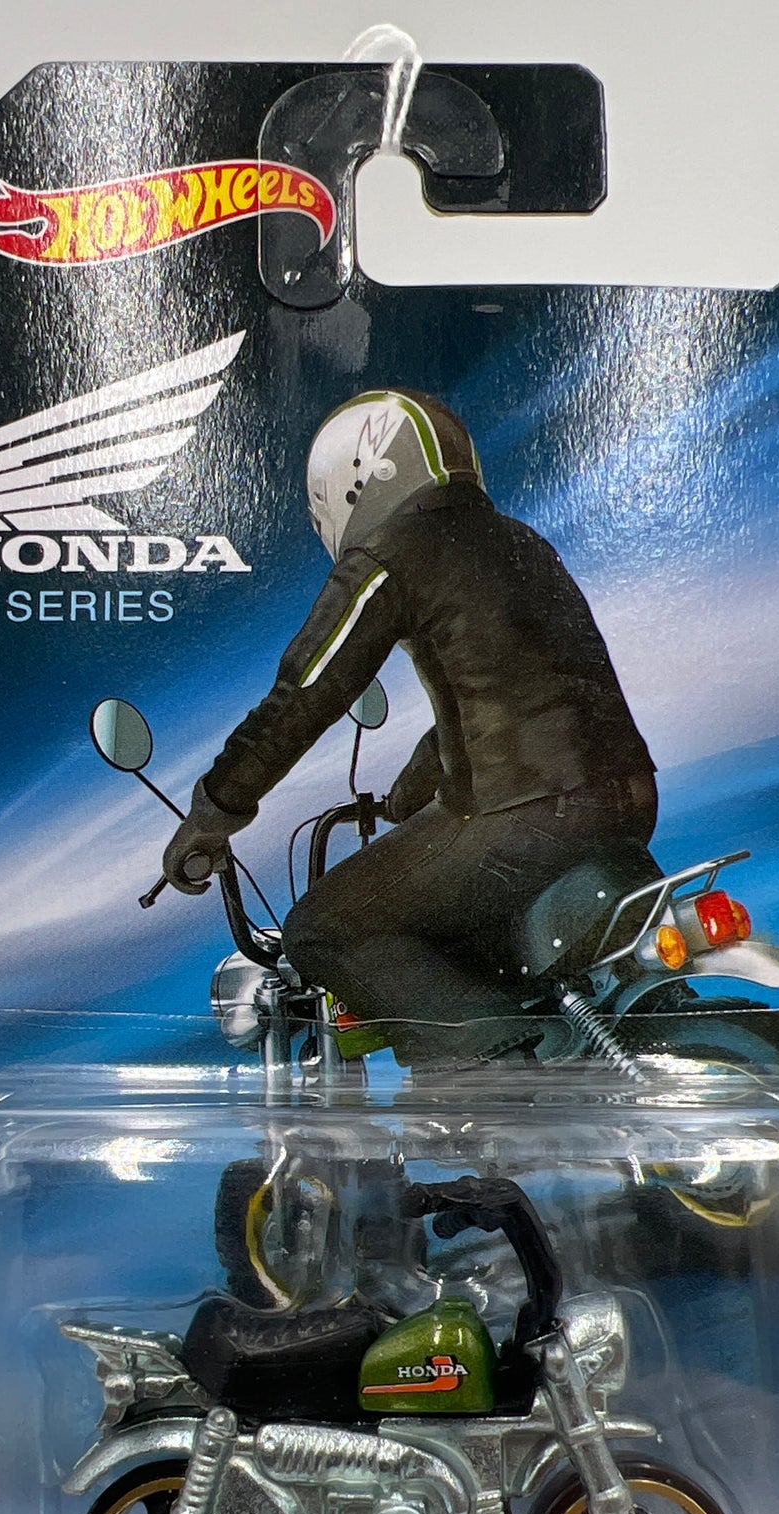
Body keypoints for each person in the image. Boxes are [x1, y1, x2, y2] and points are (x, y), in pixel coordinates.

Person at [164, 388, 660, 1063]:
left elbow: (304, 694)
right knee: (459, 941)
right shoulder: (521, 542)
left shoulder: (391, 554)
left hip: (526, 813)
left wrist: (214, 810)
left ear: (354, 482)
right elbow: (516, 686)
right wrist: (415, 786)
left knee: (323, 928)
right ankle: (546, 1053)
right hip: (626, 798)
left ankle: (490, 1074)